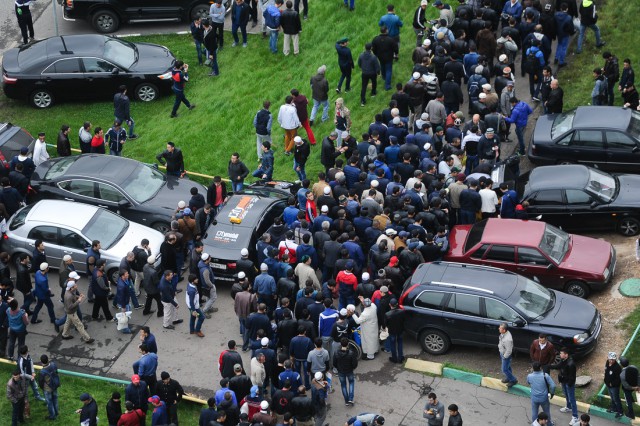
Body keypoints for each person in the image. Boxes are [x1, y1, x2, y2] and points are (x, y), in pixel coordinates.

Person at [549, 347, 578, 425]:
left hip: (568, 383)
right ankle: (568, 407)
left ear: (566, 355)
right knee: (566, 396)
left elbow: (572, 377)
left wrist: (569, 385)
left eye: (561, 353)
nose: (560, 354)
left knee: (572, 399)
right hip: (563, 382)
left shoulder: (571, 364)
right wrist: (549, 366)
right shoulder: (563, 360)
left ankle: (575, 417)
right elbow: (558, 366)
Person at [61, 279, 94, 343]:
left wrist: (79, 297)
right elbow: (70, 307)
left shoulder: (69, 291)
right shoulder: (69, 296)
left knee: (68, 322)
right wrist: (78, 301)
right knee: (79, 325)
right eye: (75, 285)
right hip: (72, 312)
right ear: (71, 288)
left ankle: (64, 335)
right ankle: (87, 339)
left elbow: (73, 296)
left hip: (70, 312)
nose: (76, 285)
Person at [371, 26, 398, 91]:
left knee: (382, 66)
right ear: (386, 30)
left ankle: (384, 77)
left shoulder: (375, 39)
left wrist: (376, 54)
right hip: (389, 57)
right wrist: (396, 53)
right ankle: (387, 86)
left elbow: (373, 48)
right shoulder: (390, 39)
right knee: (388, 70)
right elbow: (395, 48)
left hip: (380, 56)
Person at [333, 337, 357, 406]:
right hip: (349, 371)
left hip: (340, 371)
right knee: (351, 383)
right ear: (348, 344)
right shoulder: (351, 353)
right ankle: (350, 399)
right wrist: (352, 368)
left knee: (343, 385)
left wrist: (338, 368)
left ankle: (346, 401)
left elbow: (334, 363)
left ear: (341, 344)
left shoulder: (336, 352)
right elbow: (354, 363)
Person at [40, 354, 60, 420]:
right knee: (55, 399)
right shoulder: (53, 365)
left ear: (41, 362)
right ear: (48, 359)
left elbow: (41, 382)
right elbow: (56, 372)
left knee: (49, 402)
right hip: (55, 386)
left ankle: (52, 416)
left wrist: (42, 388)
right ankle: (56, 412)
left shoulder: (42, 371)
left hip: (47, 389)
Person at [384, 298, 405, 363]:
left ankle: (394, 358)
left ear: (390, 305)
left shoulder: (387, 314)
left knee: (392, 344)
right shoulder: (402, 311)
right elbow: (403, 320)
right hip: (400, 330)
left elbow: (386, 324)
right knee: (400, 343)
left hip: (392, 331)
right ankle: (400, 358)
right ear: (397, 304)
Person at [604, 351, 623, 418]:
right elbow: (606, 371)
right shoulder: (607, 363)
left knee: (616, 399)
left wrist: (612, 384)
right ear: (608, 358)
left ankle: (620, 412)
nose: (611, 361)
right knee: (612, 398)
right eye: (610, 359)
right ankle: (613, 408)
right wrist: (606, 381)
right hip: (608, 384)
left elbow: (618, 379)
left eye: (612, 359)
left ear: (615, 359)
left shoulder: (617, 368)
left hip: (614, 386)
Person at [498, 323, 517, 387]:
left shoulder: (508, 339)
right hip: (502, 353)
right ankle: (509, 378)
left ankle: (513, 380)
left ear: (504, 330)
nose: (499, 328)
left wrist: (504, 357)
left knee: (504, 369)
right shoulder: (503, 334)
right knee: (508, 367)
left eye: (500, 328)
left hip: (506, 356)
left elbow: (509, 350)